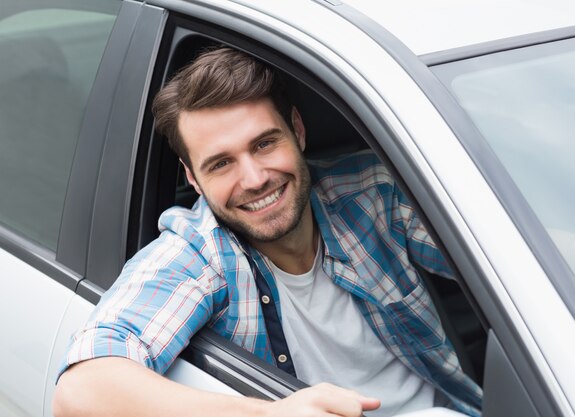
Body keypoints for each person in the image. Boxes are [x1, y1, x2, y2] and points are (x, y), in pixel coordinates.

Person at [53, 47, 482, 417]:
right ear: (194, 180)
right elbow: (80, 392)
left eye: (264, 144)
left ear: (297, 130)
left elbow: (507, 260)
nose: (255, 178)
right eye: (221, 163)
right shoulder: (199, 255)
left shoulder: (373, 195)